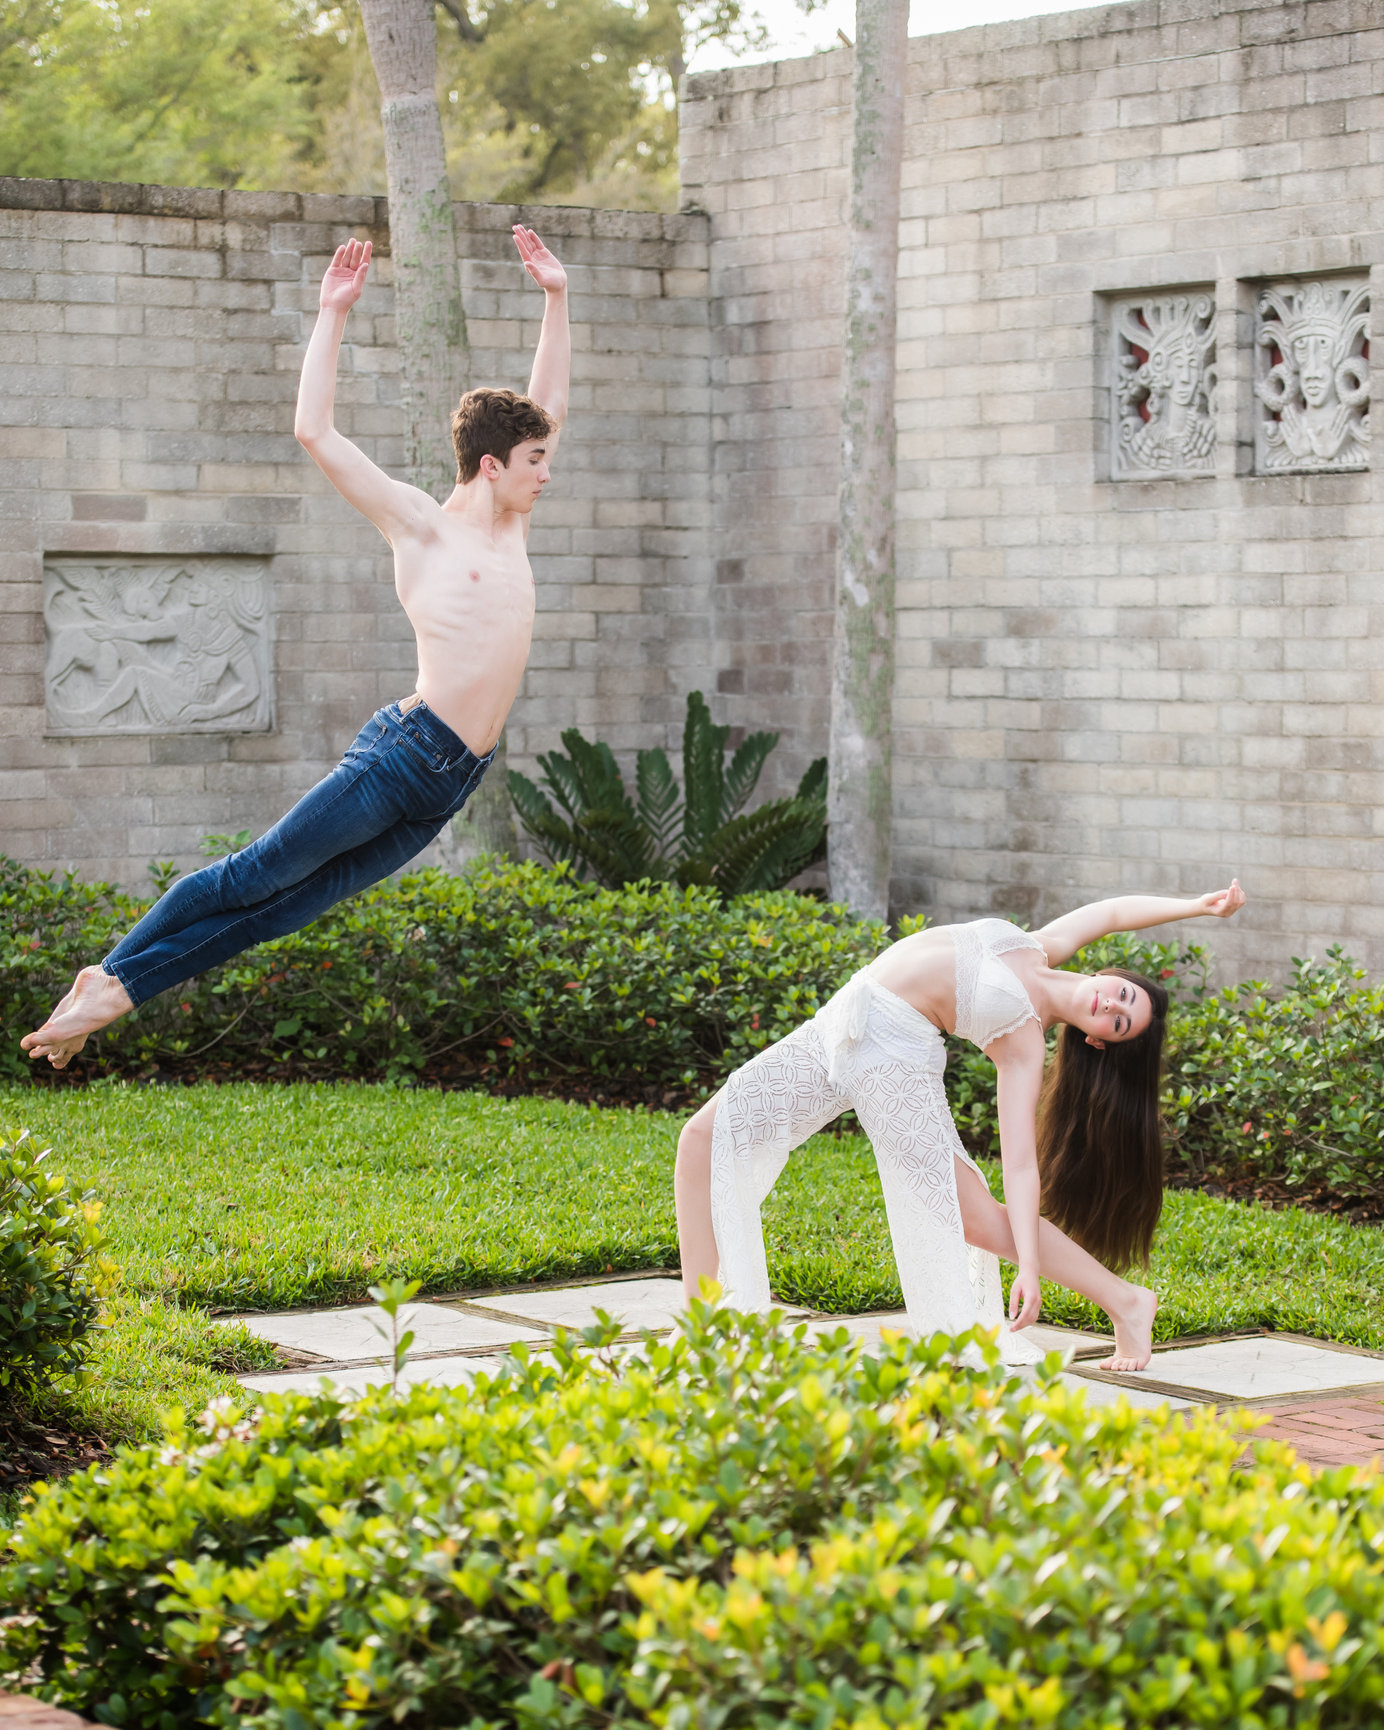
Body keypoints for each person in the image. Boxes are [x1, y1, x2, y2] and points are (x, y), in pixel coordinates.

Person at [23, 226, 570, 1070]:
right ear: (492, 466)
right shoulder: (420, 526)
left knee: (282, 909)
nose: (549, 470)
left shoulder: (513, 535)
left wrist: (556, 299)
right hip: (404, 757)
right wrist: (332, 313)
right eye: (536, 460)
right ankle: (113, 977)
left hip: (452, 781)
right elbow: (314, 429)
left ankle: (118, 991)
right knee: (253, 876)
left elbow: (547, 408)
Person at [675, 882, 1247, 1371]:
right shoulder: (1041, 947)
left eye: (1121, 1023)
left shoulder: (1024, 1046)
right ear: (1108, 975)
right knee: (702, 1139)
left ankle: (1125, 1302)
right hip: (842, 1022)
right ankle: (702, 1321)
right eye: (1123, 994)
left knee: (972, 1218)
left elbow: (1021, 1165)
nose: (1111, 1006)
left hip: (891, 1060)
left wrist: (1026, 1266)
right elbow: (1115, 912)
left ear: (1099, 1041)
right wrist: (1198, 906)